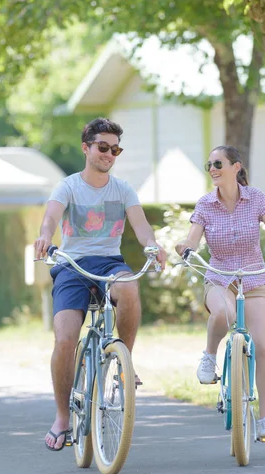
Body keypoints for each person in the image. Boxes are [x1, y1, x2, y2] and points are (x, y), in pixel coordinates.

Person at [34, 117, 166, 451]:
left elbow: (141, 225)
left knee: (130, 288)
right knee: (65, 338)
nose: (109, 154)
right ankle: (62, 418)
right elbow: (51, 216)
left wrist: (152, 245)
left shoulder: (122, 189)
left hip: (109, 264)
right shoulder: (68, 186)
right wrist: (45, 236)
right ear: (86, 148)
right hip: (72, 265)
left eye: (115, 149)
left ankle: (124, 362)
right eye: (103, 147)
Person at [175, 145, 265, 440]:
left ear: (236, 167)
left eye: (218, 163)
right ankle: (209, 355)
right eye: (208, 164)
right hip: (219, 277)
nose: (212, 169)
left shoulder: (256, 198)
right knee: (224, 313)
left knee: (264, 346)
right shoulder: (205, 204)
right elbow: (192, 240)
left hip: (254, 276)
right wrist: (184, 248)